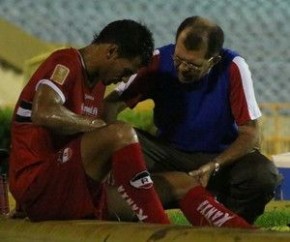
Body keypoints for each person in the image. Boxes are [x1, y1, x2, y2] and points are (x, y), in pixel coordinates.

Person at [104, 16, 281, 225]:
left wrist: (214, 165)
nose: (182, 68)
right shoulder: (159, 60)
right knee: (117, 140)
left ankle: (230, 228)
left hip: (218, 159)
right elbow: (111, 104)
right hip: (167, 154)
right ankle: (124, 216)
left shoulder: (233, 67)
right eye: (178, 59)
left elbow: (251, 133)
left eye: (193, 65)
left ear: (213, 61)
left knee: (262, 174)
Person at [8, 19, 170, 224]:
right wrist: (97, 125)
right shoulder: (65, 61)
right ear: (112, 51)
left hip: (66, 182)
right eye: (127, 71)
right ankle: (158, 226)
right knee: (119, 132)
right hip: (38, 185)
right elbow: (43, 112)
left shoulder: (98, 83)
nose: (123, 79)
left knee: (180, 183)